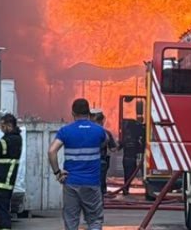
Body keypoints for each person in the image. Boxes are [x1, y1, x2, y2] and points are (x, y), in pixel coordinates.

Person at [48, 98, 107, 230]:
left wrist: (58, 172)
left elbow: (52, 151)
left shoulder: (65, 131)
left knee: (71, 221)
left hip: (71, 182)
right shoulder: (99, 131)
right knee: (95, 221)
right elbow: (103, 144)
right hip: (92, 183)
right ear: (89, 112)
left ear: (73, 113)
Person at [91, 110, 118, 193]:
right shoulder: (106, 133)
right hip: (101, 161)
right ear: (102, 121)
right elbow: (113, 149)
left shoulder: (85, 131)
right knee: (100, 184)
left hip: (87, 162)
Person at [119, 110, 146, 195]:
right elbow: (141, 148)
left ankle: (126, 188)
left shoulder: (125, 139)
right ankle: (126, 189)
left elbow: (117, 147)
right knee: (129, 176)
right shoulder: (135, 140)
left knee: (128, 176)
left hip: (127, 159)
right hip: (131, 160)